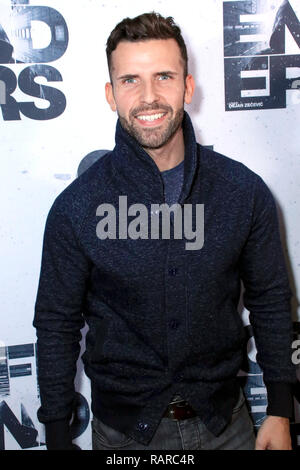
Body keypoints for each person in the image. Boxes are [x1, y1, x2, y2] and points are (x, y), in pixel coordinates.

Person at [33, 12, 296, 450]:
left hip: (227, 428)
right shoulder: (76, 207)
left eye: (164, 76)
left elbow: (270, 300)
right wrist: (58, 435)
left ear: (188, 88)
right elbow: (56, 325)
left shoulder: (242, 192)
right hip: (123, 439)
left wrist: (281, 410)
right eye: (130, 80)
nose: (149, 97)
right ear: (110, 94)